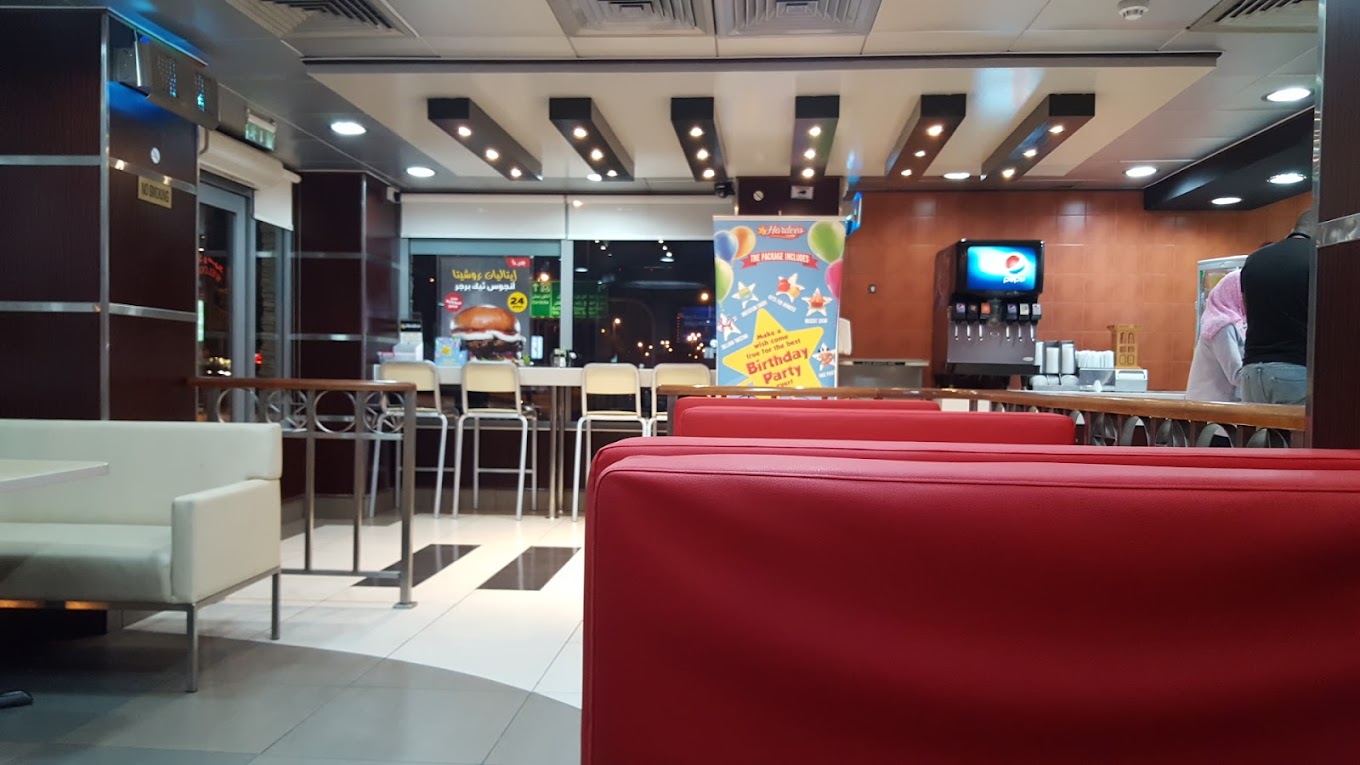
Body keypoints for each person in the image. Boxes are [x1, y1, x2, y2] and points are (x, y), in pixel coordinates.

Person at [1239, 208, 1315, 405]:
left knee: (1259, 427)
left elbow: (1247, 311)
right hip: (1295, 370)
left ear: (1293, 229)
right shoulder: (1318, 259)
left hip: (1251, 372)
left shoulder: (1255, 259)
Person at [1186, 269, 1245, 402]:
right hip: (1212, 408)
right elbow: (1236, 374)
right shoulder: (1222, 326)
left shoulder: (1232, 324)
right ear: (1234, 293)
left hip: (1212, 406)